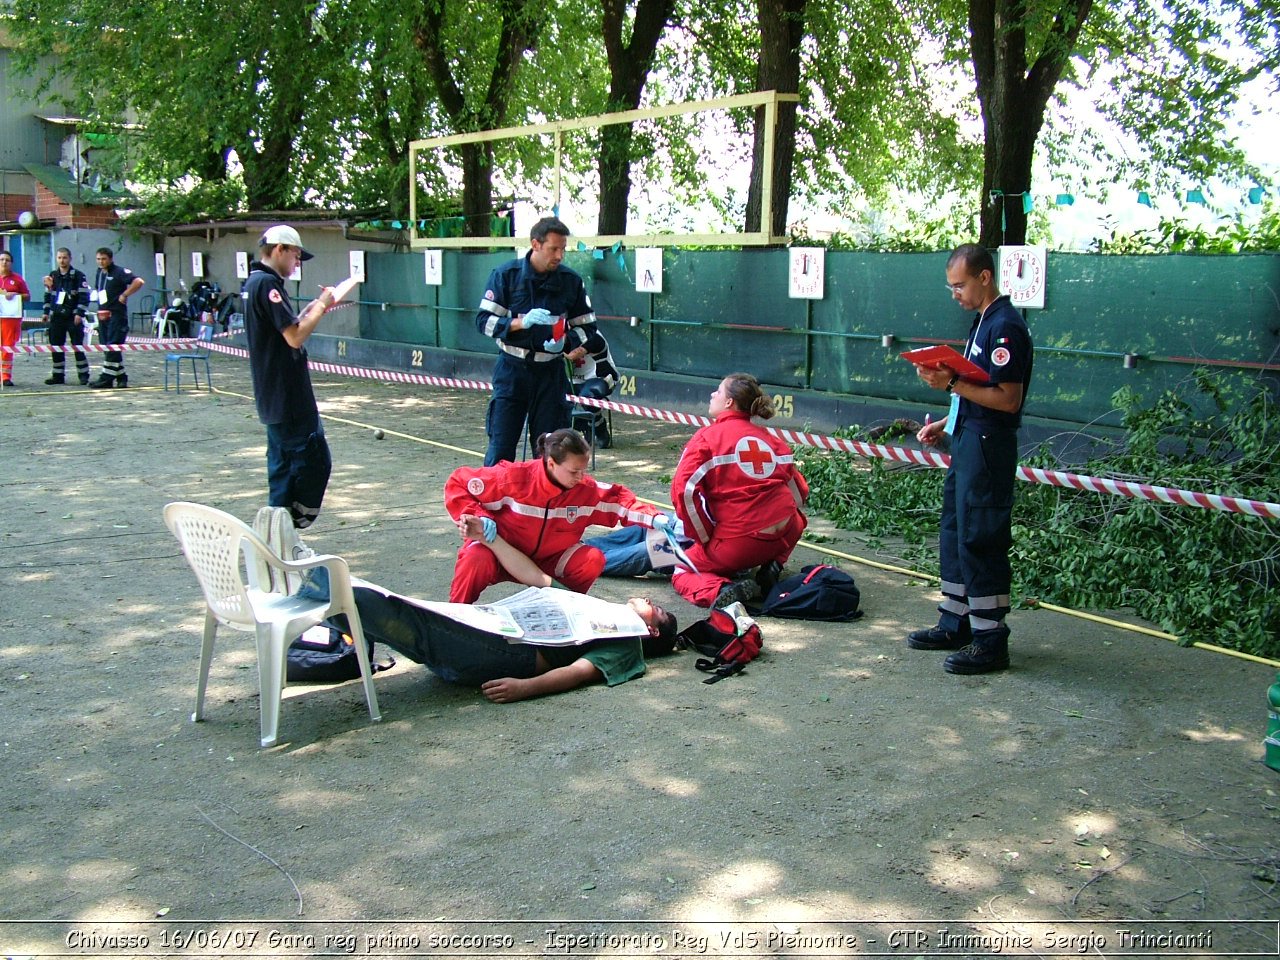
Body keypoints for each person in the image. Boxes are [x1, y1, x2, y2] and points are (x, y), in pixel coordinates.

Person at [909, 243, 1034, 675]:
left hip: (989, 446)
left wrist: (949, 387)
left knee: (981, 535)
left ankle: (989, 638)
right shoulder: (981, 321)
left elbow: (1007, 398)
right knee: (956, 529)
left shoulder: (1005, 327)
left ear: (985, 277)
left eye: (960, 285)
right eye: (950, 287)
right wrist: (947, 420)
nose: (955, 294)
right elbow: (976, 386)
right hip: (966, 439)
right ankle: (955, 620)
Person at [444, 427, 667, 604]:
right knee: (475, 557)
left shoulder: (584, 490)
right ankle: (455, 615)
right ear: (551, 463)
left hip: (551, 560)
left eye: (583, 470)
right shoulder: (513, 478)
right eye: (573, 471)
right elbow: (459, 483)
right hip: (501, 553)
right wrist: (479, 516)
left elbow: (619, 501)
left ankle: (565, 610)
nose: (580, 477)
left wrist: (654, 517)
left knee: (592, 559)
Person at [670, 372, 809, 608]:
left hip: (739, 543)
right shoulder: (772, 440)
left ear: (728, 403)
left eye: (718, 390)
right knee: (794, 519)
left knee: (681, 568)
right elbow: (799, 493)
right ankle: (773, 565)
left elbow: (683, 490)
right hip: (785, 534)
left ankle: (722, 590)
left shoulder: (708, 438)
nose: (712, 394)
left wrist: (703, 536)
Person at [476, 216, 599, 466]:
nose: (560, 255)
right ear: (536, 244)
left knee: (552, 450)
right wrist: (520, 323)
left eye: (563, 249)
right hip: (512, 370)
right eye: (554, 248)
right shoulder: (505, 276)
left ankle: (547, 503)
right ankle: (492, 502)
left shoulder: (571, 282)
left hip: (550, 374)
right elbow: (483, 322)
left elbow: (588, 327)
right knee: (501, 446)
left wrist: (565, 342)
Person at [244, 224, 336, 530]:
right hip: (288, 398)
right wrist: (321, 308)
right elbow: (294, 337)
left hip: (276, 397)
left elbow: (287, 325)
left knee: (282, 470)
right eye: (295, 256)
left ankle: (278, 536)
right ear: (279, 250)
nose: (297, 264)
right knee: (313, 461)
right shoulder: (267, 284)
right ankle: (288, 530)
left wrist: (311, 309)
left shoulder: (256, 283)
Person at [88, 248, 144, 389]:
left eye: (104, 259)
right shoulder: (99, 273)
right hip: (103, 315)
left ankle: (106, 378)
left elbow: (138, 281)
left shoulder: (119, 272)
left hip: (116, 315)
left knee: (113, 345)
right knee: (107, 346)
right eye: (98, 259)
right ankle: (121, 377)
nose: (101, 262)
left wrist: (125, 295)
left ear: (111, 259)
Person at [42, 247, 91, 386]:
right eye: (59, 258)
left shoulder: (78, 276)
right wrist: (46, 312)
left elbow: (84, 296)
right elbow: (47, 295)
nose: (62, 260)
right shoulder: (52, 276)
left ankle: (83, 375)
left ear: (70, 259)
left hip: (72, 316)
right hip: (57, 316)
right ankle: (58, 375)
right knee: (56, 346)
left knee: (77, 346)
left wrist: (79, 313)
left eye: (64, 258)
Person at [570, 327, 619, 448]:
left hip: (600, 378)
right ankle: (584, 426)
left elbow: (572, 355)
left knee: (588, 396)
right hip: (573, 381)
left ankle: (599, 428)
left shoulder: (594, 336)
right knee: (553, 398)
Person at [0, 251, 31, 387]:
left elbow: (27, 296)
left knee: (7, 347)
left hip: (11, 318)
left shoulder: (17, 279)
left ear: (11, 263)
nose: (4, 262)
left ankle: (6, 376)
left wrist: (15, 295)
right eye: (1, 259)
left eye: (7, 260)